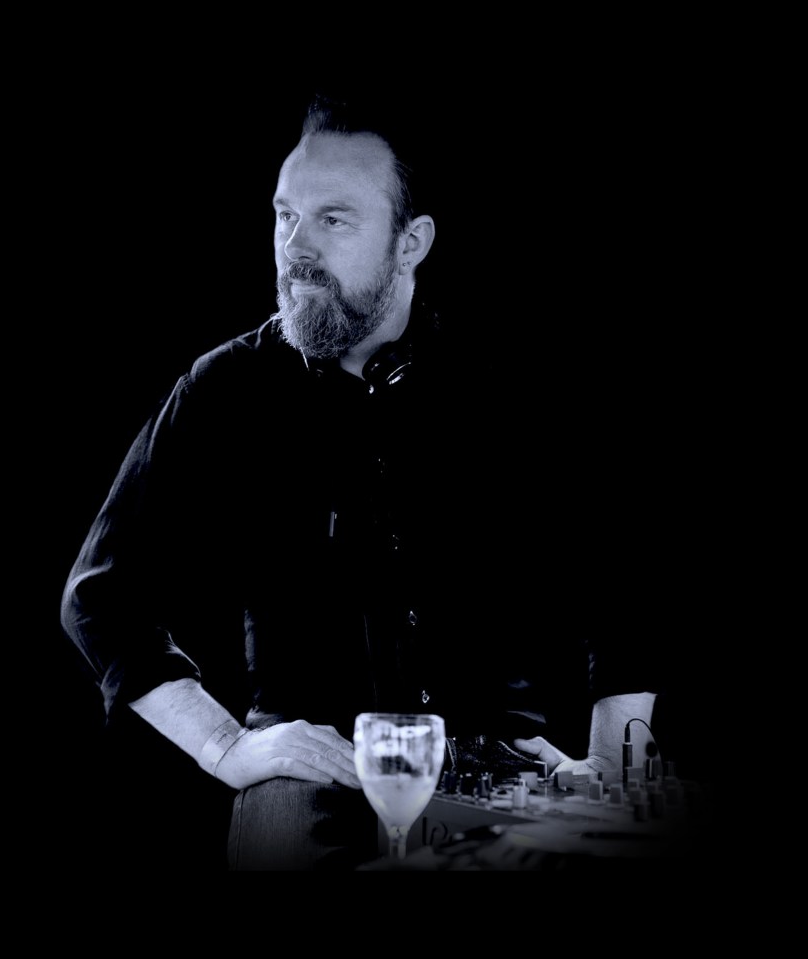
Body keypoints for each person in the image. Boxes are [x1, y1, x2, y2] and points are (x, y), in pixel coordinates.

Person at [61, 94, 660, 871]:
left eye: (333, 220)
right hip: (316, 776)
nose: (294, 247)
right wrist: (225, 747)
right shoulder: (223, 389)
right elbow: (100, 597)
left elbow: (627, 585)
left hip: (502, 767)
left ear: (411, 243)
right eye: (285, 216)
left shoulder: (511, 381)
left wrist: (614, 767)